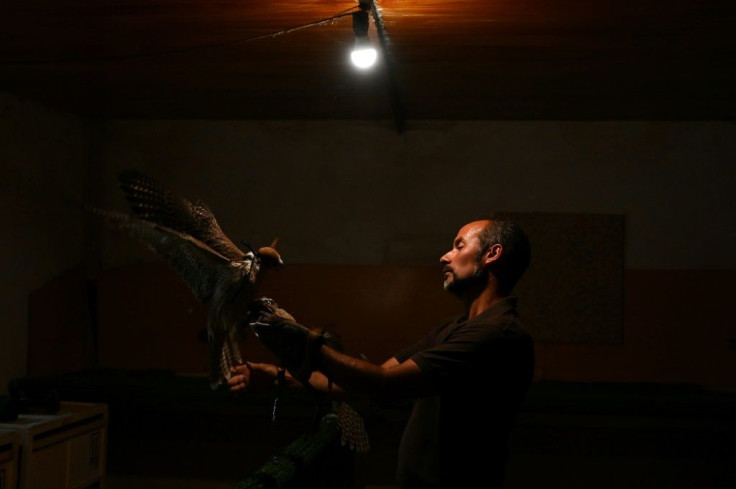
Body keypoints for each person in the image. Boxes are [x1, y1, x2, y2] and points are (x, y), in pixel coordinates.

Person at [229, 218, 535, 489]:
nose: (445, 256)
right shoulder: (455, 328)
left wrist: (301, 342)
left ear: (492, 254)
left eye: (458, 246)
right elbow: (365, 381)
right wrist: (278, 377)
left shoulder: (495, 335)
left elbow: (383, 384)